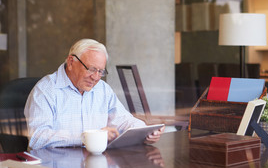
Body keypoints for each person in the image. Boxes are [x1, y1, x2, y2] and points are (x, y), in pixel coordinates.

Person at [24, 38, 164, 149]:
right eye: (91, 69)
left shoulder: (102, 89)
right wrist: (86, 137)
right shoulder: (45, 90)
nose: (96, 77)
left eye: (100, 71)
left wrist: (145, 131)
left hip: (95, 166)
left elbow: (122, 120)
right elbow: (38, 138)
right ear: (71, 62)